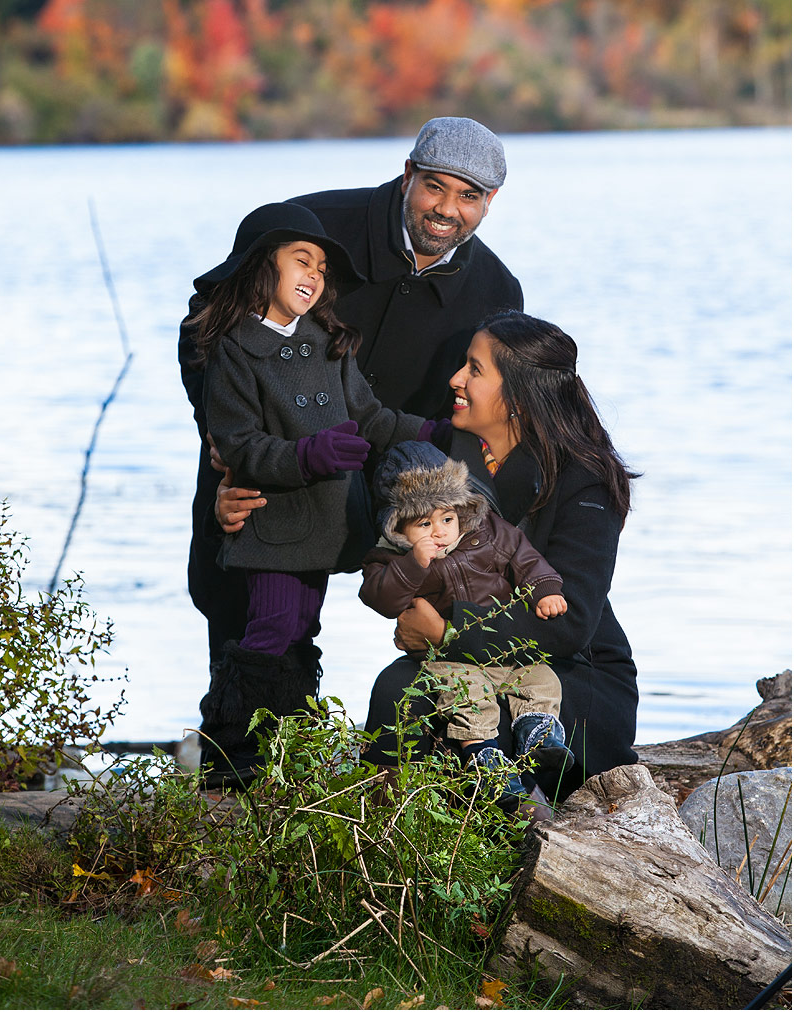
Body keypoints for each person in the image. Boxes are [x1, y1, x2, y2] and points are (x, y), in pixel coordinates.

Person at [179, 116, 523, 675]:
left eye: (469, 196)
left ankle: (449, 744)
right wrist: (222, 440)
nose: (446, 208)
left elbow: (478, 407)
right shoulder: (308, 230)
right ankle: (242, 758)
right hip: (270, 466)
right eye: (434, 185)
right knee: (252, 626)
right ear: (408, 172)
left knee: (467, 578)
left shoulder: (498, 291)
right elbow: (203, 330)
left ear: (491, 201)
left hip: (397, 470)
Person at [188, 203, 427, 786]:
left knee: (302, 628)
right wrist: (307, 456)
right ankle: (233, 760)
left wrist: (435, 432)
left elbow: (367, 416)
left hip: (324, 523)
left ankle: (286, 751)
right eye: (301, 260)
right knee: (268, 629)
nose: (315, 275)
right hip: (272, 523)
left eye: (321, 267)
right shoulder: (233, 348)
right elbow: (237, 442)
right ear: (258, 268)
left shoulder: (325, 337)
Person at [360, 311, 640, 800]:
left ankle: (522, 853)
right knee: (395, 690)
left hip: (572, 670)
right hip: (469, 664)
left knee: (484, 726)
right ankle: (388, 849)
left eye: (474, 369)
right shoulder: (447, 458)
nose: (456, 379)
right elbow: (372, 488)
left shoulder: (584, 481)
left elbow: (568, 623)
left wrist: (446, 632)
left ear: (517, 396)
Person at [359, 441, 575, 815]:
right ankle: (481, 753)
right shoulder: (391, 558)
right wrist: (413, 564)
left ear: (460, 509)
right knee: (467, 695)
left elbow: (526, 559)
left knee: (542, 678)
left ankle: (537, 731)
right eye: (423, 524)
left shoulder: (488, 532)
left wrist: (545, 590)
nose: (439, 532)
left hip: (503, 651)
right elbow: (380, 598)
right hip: (448, 659)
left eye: (446, 518)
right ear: (398, 526)